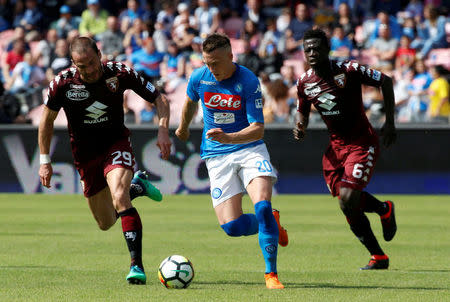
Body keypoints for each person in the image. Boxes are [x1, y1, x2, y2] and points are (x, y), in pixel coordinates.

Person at [38, 36, 171, 284]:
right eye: (81, 66)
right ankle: (137, 188)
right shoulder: (62, 83)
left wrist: (163, 130)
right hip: (85, 155)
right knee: (105, 222)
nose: (88, 70)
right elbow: (46, 121)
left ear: (99, 54)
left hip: (115, 143)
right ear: (72, 63)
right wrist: (45, 160)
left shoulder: (119, 73)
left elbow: (159, 99)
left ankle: (136, 266)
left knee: (119, 197)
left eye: (91, 63)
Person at [175, 33, 288, 289]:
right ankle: (272, 221)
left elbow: (258, 129)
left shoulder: (248, 80)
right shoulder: (199, 76)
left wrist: (229, 137)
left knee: (261, 206)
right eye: (206, 62)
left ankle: (271, 274)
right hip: (216, 155)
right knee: (233, 227)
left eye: (215, 62)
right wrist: (183, 127)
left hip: (249, 149)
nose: (210, 68)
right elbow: (190, 102)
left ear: (230, 56)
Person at [293, 28, 397, 270]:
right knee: (345, 202)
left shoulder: (348, 69)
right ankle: (379, 251)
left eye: (316, 48)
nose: (311, 52)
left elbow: (386, 81)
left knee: (348, 198)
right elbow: (302, 110)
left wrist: (390, 122)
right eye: (307, 49)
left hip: (361, 142)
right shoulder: (304, 82)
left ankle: (382, 217)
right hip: (335, 149)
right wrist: (300, 126)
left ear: (327, 49)